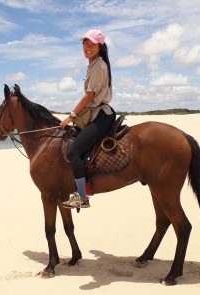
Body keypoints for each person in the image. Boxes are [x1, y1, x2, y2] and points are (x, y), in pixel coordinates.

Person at [60, 29, 116, 209]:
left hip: (101, 115)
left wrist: (71, 116)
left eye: (91, 44)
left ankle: (82, 196)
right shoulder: (93, 65)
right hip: (94, 113)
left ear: (100, 46)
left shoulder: (99, 65)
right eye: (85, 43)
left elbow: (89, 96)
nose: (87, 47)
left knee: (74, 151)